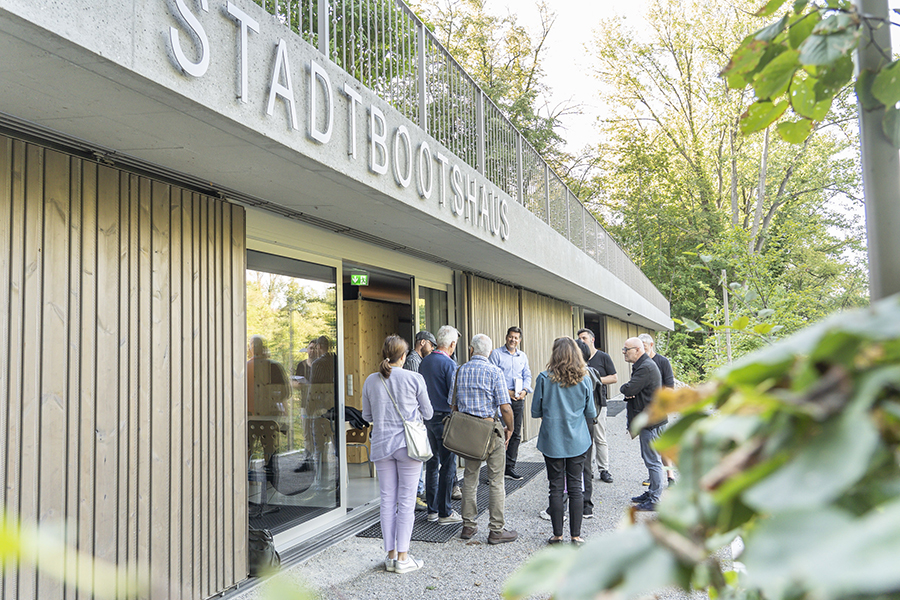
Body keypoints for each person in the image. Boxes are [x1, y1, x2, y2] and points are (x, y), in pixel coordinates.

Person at [361, 335, 433, 574]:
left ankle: (390, 555)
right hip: (408, 447)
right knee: (406, 501)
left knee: (387, 500)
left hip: (382, 446)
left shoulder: (371, 380)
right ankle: (403, 557)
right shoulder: (415, 378)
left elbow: (367, 417)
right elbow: (429, 413)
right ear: (403, 356)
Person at [454, 334, 518, 545]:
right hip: (490, 429)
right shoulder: (494, 371)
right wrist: (510, 427)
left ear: (471, 349)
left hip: (467, 431)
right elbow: (505, 407)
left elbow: (452, 405)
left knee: (469, 478)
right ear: (490, 352)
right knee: (496, 480)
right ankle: (496, 530)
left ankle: (468, 526)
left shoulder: (460, 370)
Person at [531, 337, 596, 546]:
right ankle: (576, 536)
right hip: (578, 440)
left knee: (555, 487)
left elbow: (535, 411)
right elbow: (591, 411)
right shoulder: (585, 378)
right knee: (576, 487)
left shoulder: (543, 378)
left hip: (552, 440)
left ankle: (557, 535)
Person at [418, 325, 462, 524]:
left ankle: (432, 511)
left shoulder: (424, 362)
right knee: (448, 465)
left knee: (432, 464)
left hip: (428, 419)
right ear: (452, 344)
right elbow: (454, 396)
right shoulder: (450, 364)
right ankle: (446, 512)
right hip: (445, 419)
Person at [620, 337, 664, 511]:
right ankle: (652, 491)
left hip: (651, 421)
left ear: (638, 350)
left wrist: (627, 389)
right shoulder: (643, 366)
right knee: (650, 459)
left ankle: (655, 499)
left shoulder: (645, 367)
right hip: (650, 418)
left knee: (653, 461)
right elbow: (633, 390)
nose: (624, 352)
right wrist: (630, 390)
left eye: (626, 349)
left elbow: (629, 389)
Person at [489, 326, 532, 481]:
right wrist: (508, 393)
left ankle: (509, 468)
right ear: (506, 337)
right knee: (498, 434)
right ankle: (495, 471)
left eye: (516, 338)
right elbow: (492, 378)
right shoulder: (496, 354)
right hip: (501, 400)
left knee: (515, 434)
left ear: (519, 340)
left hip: (518, 400)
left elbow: (527, 375)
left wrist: (525, 391)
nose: (513, 340)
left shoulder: (522, 356)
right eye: (511, 337)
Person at [576, 328, 617, 483]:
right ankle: (588, 469)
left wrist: (594, 378)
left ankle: (604, 469)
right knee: (586, 438)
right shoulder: (578, 359)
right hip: (582, 406)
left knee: (600, 437)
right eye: (579, 338)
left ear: (592, 339)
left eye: (584, 338)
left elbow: (614, 378)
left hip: (598, 403)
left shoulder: (603, 357)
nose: (581, 340)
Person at [403, 330, 437, 509]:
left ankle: (419, 492)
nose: (432, 350)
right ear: (422, 342)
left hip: (419, 415)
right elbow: (415, 391)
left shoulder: (419, 360)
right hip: (415, 417)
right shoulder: (413, 362)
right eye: (431, 345)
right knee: (417, 454)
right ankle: (416, 495)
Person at [639, 333, 676, 486]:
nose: (642, 350)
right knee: (648, 448)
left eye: (645, 347)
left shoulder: (662, 361)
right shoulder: (640, 363)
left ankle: (670, 476)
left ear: (651, 345)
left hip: (660, 411)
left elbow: (670, 387)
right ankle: (653, 477)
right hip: (645, 411)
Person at [247, 335, 292, 462]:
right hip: (270, 417)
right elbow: (286, 393)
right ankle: (270, 477)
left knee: (247, 450)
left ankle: (247, 478)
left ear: (250, 349)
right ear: (264, 348)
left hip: (249, 417)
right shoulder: (275, 367)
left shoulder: (244, 368)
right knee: (270, 451)